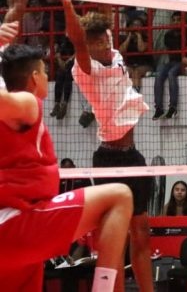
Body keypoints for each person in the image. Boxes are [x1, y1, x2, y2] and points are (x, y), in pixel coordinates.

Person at [55, 0, 154, 291]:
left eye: (102, 40)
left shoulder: (110, 50)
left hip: (133, 156)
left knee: (141, 235)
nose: (100, 45)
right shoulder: (86, 68)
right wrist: (66, 1)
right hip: (108, 158)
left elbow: (105, 0)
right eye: (94, 41)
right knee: (111, 242)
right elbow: (77, 38)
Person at [0, 43, 133, 292]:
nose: (48, 78)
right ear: (35, 76)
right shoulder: (28, 102)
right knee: (119, 196)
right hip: (17, 226)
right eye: (45, 71)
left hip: (14, 236)